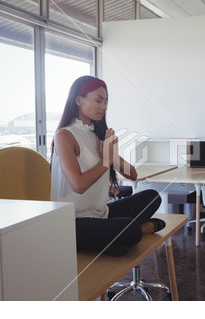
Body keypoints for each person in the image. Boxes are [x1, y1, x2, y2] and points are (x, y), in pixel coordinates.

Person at [50, 75, 164, 256]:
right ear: (78, 100)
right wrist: (106, 161)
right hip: (71, 222)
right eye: (99, 100)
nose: (104, 107)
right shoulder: (64, 136)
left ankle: (109, 240)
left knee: (152, 196)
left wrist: (113, 157)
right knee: (131, 229)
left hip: (100, 214)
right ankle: (139, 230)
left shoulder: (98, 135)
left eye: (106, 101)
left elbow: (133, 175)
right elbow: (78, 185)